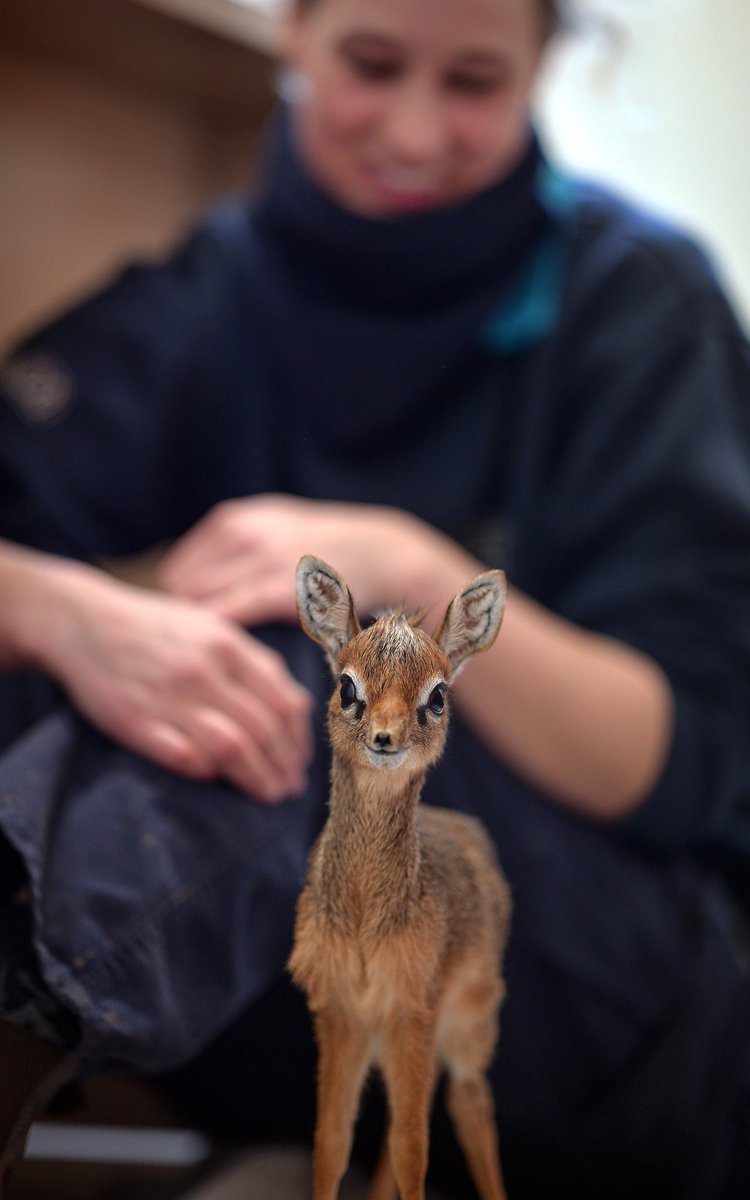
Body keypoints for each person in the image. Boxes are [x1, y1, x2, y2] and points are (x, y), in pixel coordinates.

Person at [1, 0, 750, 1194]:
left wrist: (415, 566)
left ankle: (26, 996)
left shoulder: (639, 304)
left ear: (543, 68)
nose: (413, 129)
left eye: (472, 84)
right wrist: (66, 613)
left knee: (344, 668)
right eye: (371, 64)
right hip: (288, 979)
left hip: (598, 996)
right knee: (83, 661)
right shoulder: (211, 290)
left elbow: (681, 762)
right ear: (294, 31)